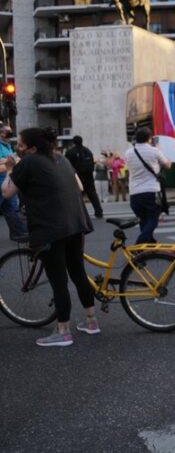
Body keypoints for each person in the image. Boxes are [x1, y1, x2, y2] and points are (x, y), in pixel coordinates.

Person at [1, 127, 95, 347]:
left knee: (58, 280)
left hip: (51, 228)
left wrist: (10, 170)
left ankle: (63, 331)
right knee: (78, 273)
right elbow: (79, 186)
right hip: (76, 223)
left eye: (21, 145)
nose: (18, 148)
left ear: (32, 148)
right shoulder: (61, 158)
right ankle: (92, 322)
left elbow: (6, 192)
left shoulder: (28, 162)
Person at [125, 127, 171, 244]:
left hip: (134, 192)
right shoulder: (154, 151)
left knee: (143, 219)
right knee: (153, 219)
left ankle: (148, 245)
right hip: (151, 190)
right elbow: (167, 165)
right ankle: (140, 244)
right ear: (149, 138)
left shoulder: (128, 152)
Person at [65, 135, 103, 219]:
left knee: (77, 195)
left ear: (73, 142)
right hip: (88, 176)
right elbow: (92, 163)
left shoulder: (70, 152)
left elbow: (67, 165)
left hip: (77, 176)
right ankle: (98, 211)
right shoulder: (87, 151)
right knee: (92, 194)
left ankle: (77, 214)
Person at [0, 124, 27, 239]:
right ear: (1, 133)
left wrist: (10, 162)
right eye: (8, 132)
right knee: (10, 207)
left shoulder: (8, 146)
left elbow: (11, 161)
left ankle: (18, 232)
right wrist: (10, 163)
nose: (10, 134)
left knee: (11, 207)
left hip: (8, 179)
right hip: (2, 179)